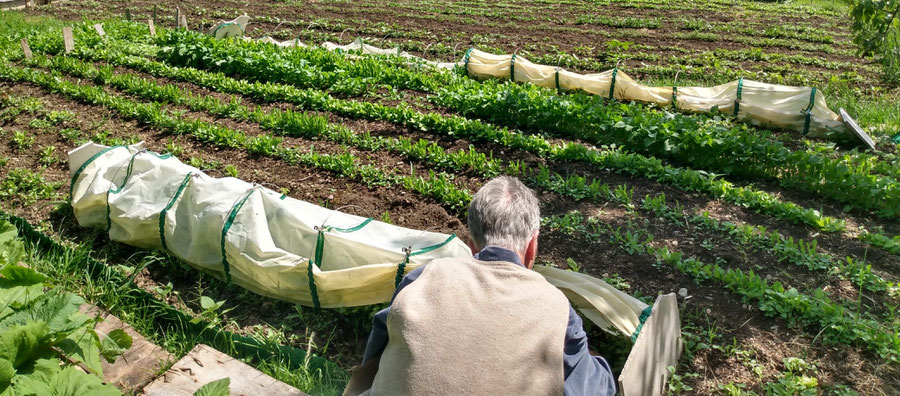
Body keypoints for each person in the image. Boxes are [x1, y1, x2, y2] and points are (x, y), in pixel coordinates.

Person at [343, 176, 617, 396]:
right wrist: (598, 363)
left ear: (471, 245)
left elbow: (376, 353)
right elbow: (594, 388)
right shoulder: (556, 307)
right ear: (532, 246)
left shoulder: (422, 278)